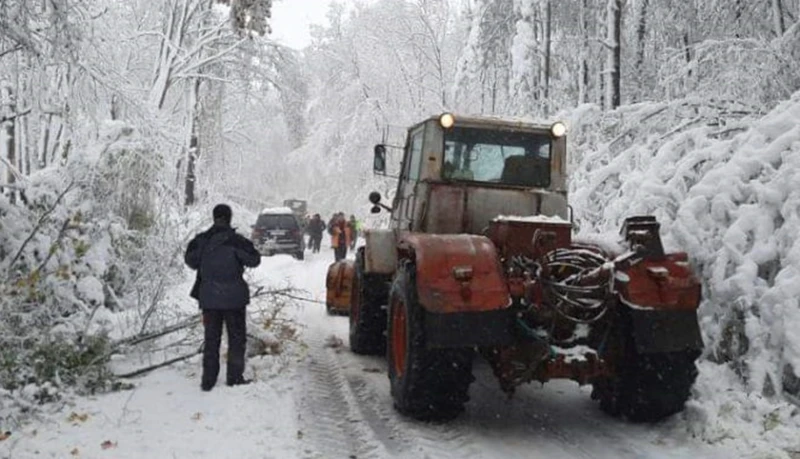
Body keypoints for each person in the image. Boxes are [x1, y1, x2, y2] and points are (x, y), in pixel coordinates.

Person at [185, 204, 261, 391]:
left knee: (211, 339)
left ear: (214, 217)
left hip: (209, 299)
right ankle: (234, 378)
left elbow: (190, 260)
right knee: (236, 339)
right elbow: (254, 260)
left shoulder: (202, 240)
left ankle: (208, 381)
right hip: (234, 300)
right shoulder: (237, 241)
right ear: (229, 218)